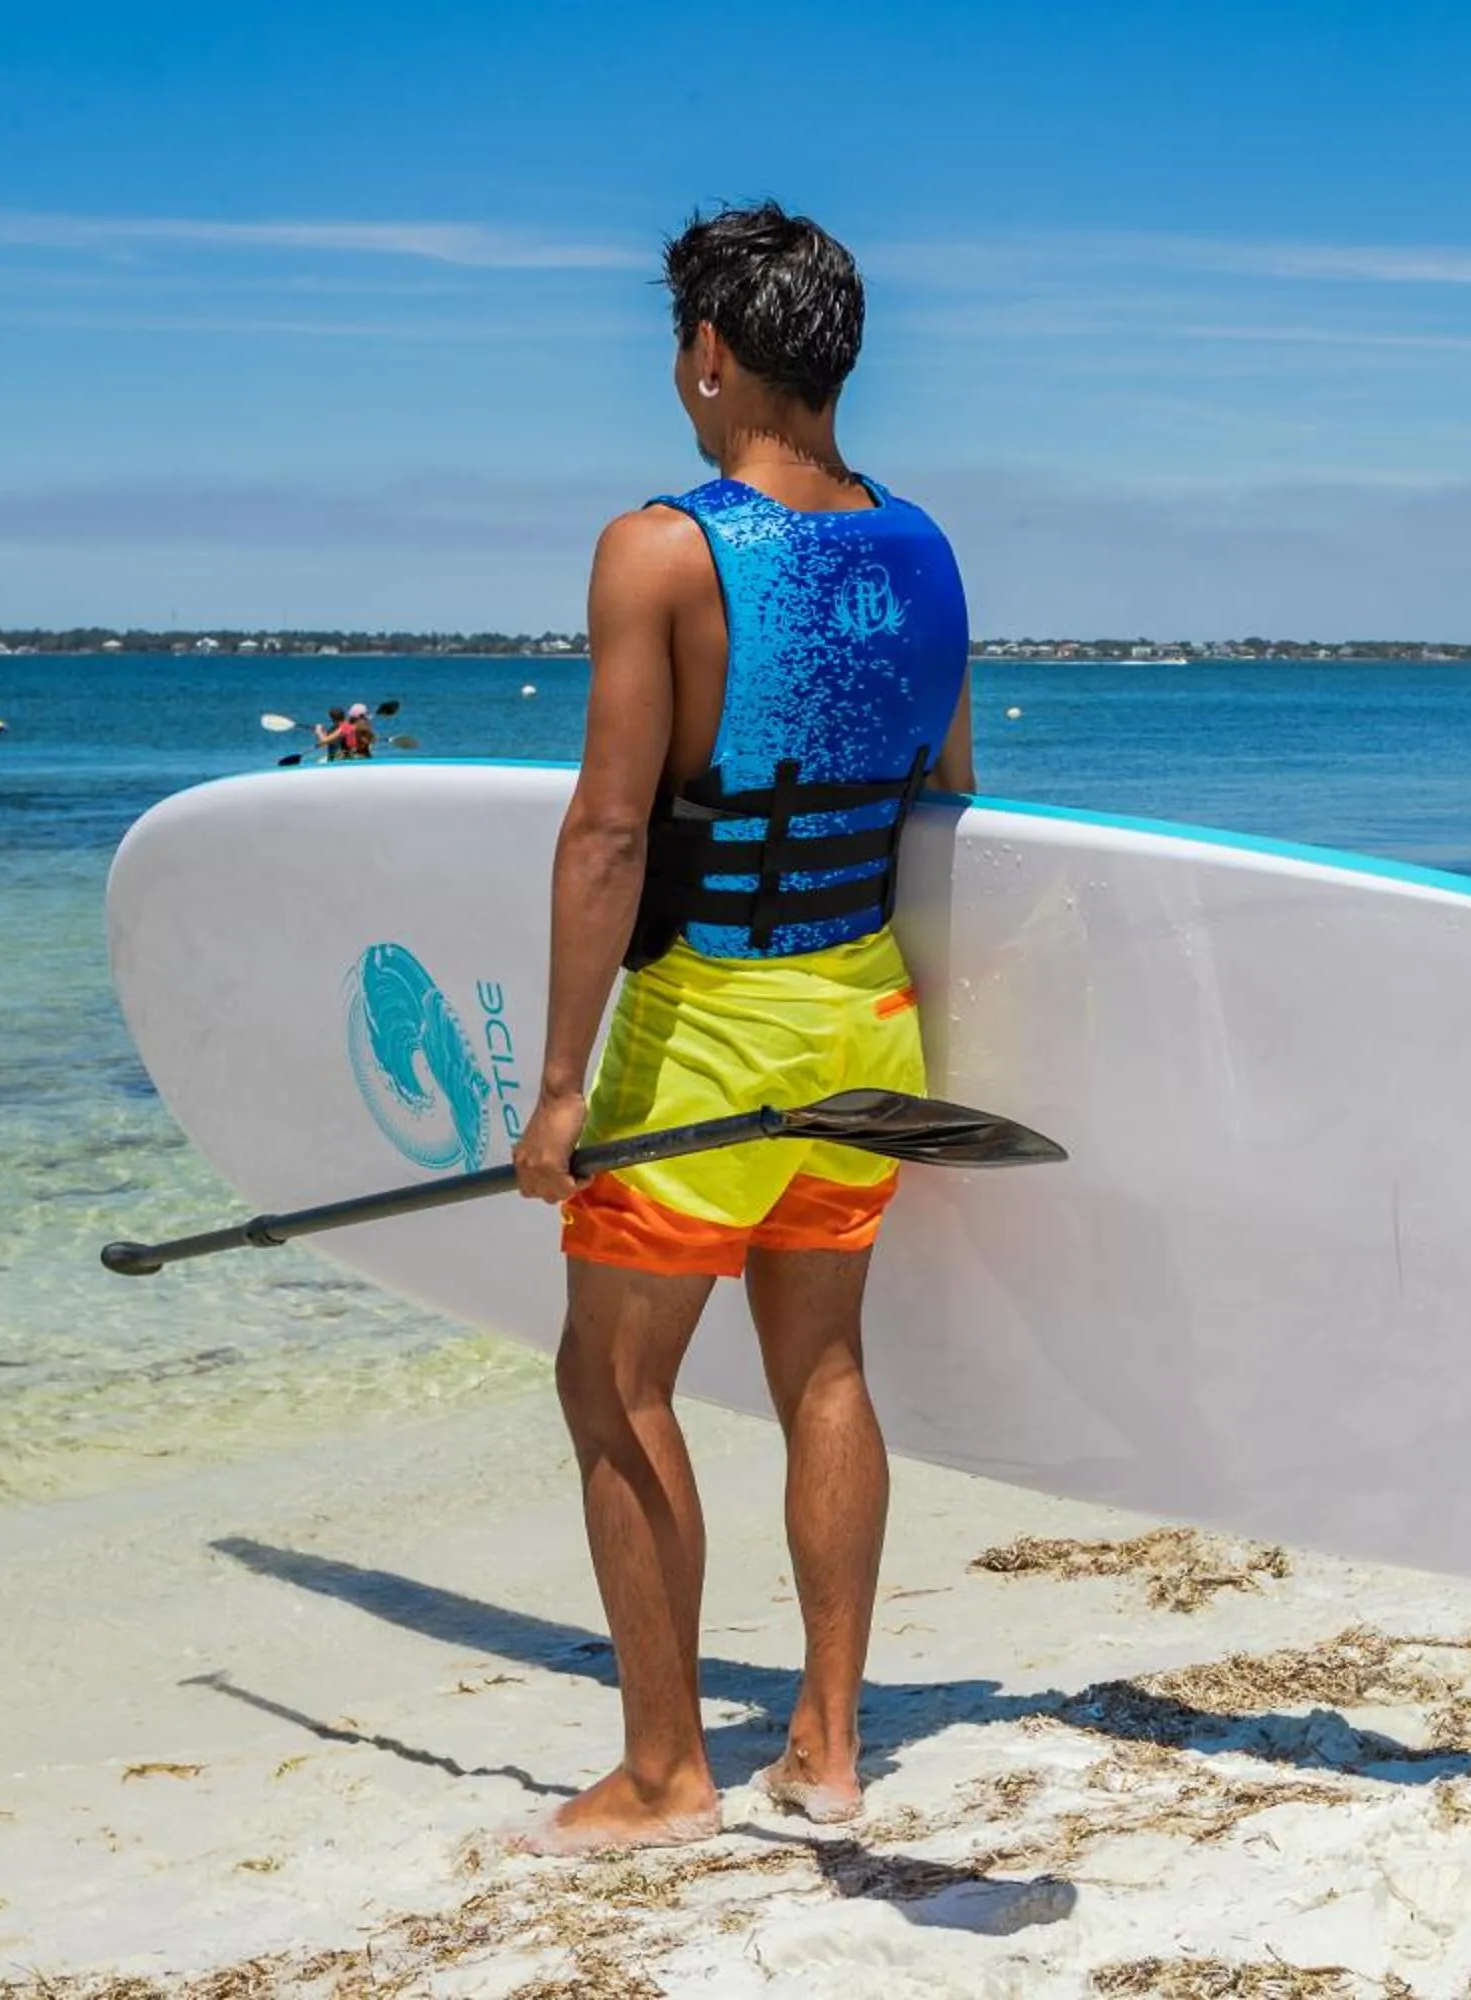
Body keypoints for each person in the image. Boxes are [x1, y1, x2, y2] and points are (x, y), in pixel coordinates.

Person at [506, 201, 977, 1856]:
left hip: (705, 1032)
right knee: (826, 1366)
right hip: (864, 1021)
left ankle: (662, 1775)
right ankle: (829, 1750)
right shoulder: (925, 547)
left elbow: (609, 834)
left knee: (611, 1383)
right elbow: (952, 797)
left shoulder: (663, 545)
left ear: (710, 353)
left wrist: (559, 1087)